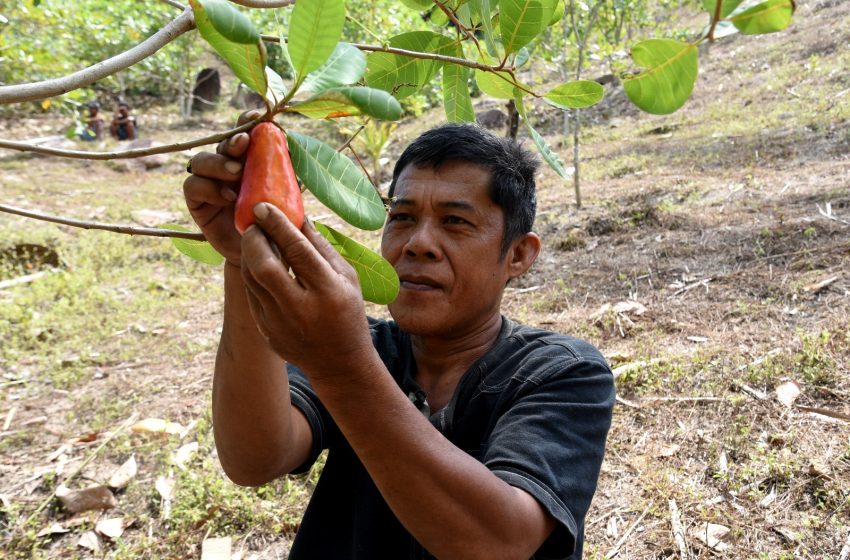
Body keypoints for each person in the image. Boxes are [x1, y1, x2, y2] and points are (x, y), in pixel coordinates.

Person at [183, 119, 615, 559]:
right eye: (403, 218)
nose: (418, 244)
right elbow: (254, 459)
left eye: (455, 221)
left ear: (519, 254)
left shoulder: (564, 373)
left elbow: (501, 542)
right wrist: (244, 257)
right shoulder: (362, 344)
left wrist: (343, 365)